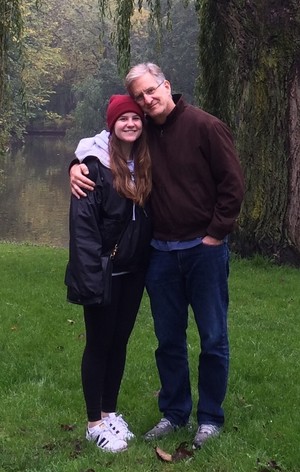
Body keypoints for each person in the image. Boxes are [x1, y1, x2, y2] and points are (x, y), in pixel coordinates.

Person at [69, 63, 245, 449]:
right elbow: (100, 142)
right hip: (160, 254)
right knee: (168, 340)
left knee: (213, 337)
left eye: (152, 91)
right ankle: (175, 412)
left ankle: (210, 417)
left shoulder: (205, 126)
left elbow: (233, 185)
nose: (148, 101)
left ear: (166, 85)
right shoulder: (145, 130)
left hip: (204, 250)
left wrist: (215, 235)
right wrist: (75, 166)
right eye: (140, 97)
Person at [65, 94, 152, 453]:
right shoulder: (92, 166)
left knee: (119, 343)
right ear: (111, 125)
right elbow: (83, 229)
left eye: (136, 118)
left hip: (133, 271)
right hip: (103, 271)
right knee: (99, 345)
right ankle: (93, 423)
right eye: (123, 119)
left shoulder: (144, 161)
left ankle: (110, 411)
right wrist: (89, 280)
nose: (130, 123)